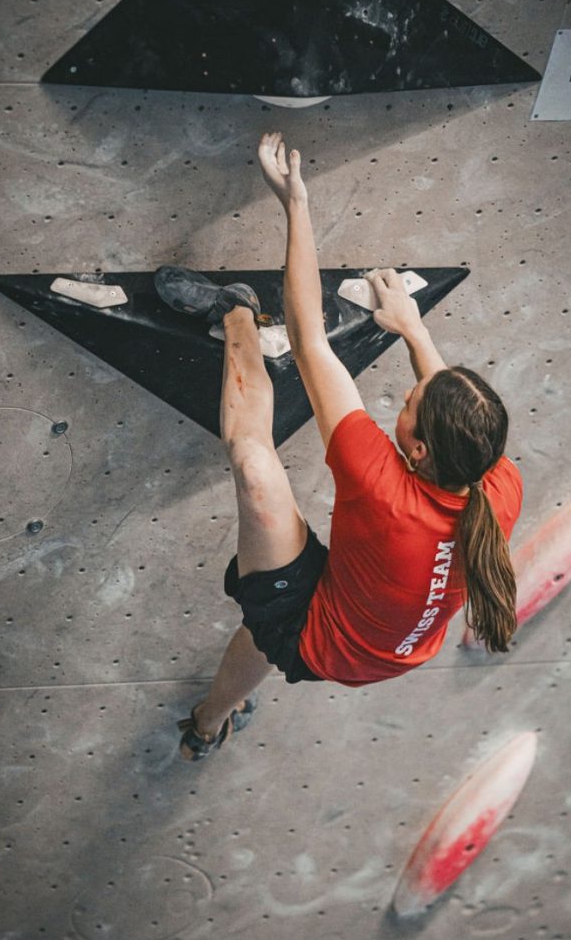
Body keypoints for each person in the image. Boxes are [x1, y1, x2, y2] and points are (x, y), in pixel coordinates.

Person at [156, 132, 523, 761]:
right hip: (380, 632)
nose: (402, 402)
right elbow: (443, 398)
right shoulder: (494, 479)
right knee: (264, 615)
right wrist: (412, 328)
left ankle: (236, 314)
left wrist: (296, 206)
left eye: (406, 408)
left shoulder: (383, 491)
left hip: (319, 639)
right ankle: (220, 711)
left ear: (418, 452)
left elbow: (308, 342)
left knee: (254, 465)